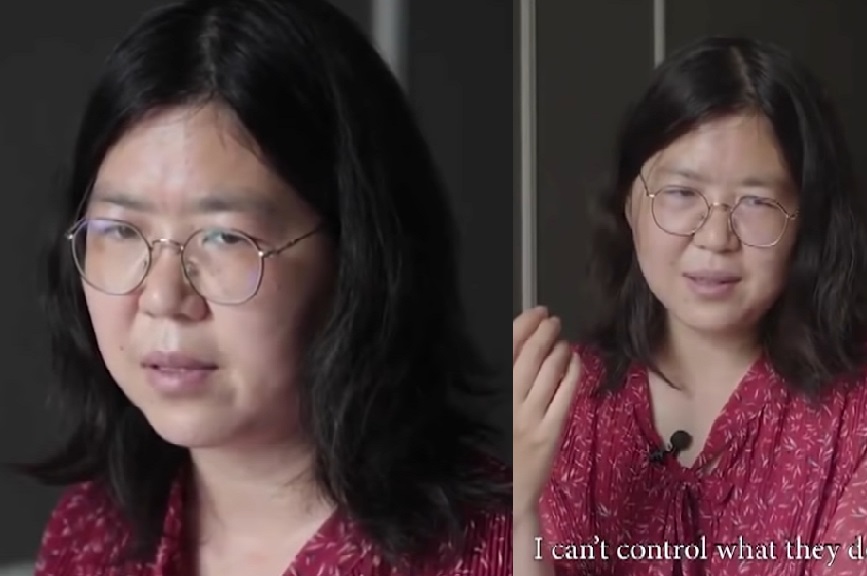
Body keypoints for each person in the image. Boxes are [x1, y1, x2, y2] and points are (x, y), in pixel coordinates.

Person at [25, 0, 510, 574]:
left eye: (225, 237)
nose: (162, 298)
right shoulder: (92, 533)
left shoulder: (504, 550)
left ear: (355, 255)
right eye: (120, 231)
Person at [513, 36, 867, 576]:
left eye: (756, 201)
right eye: (682, 193)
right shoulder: (562, 397)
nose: (715, 238)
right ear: (629, 204)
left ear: (807, 223)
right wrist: (519, 511)